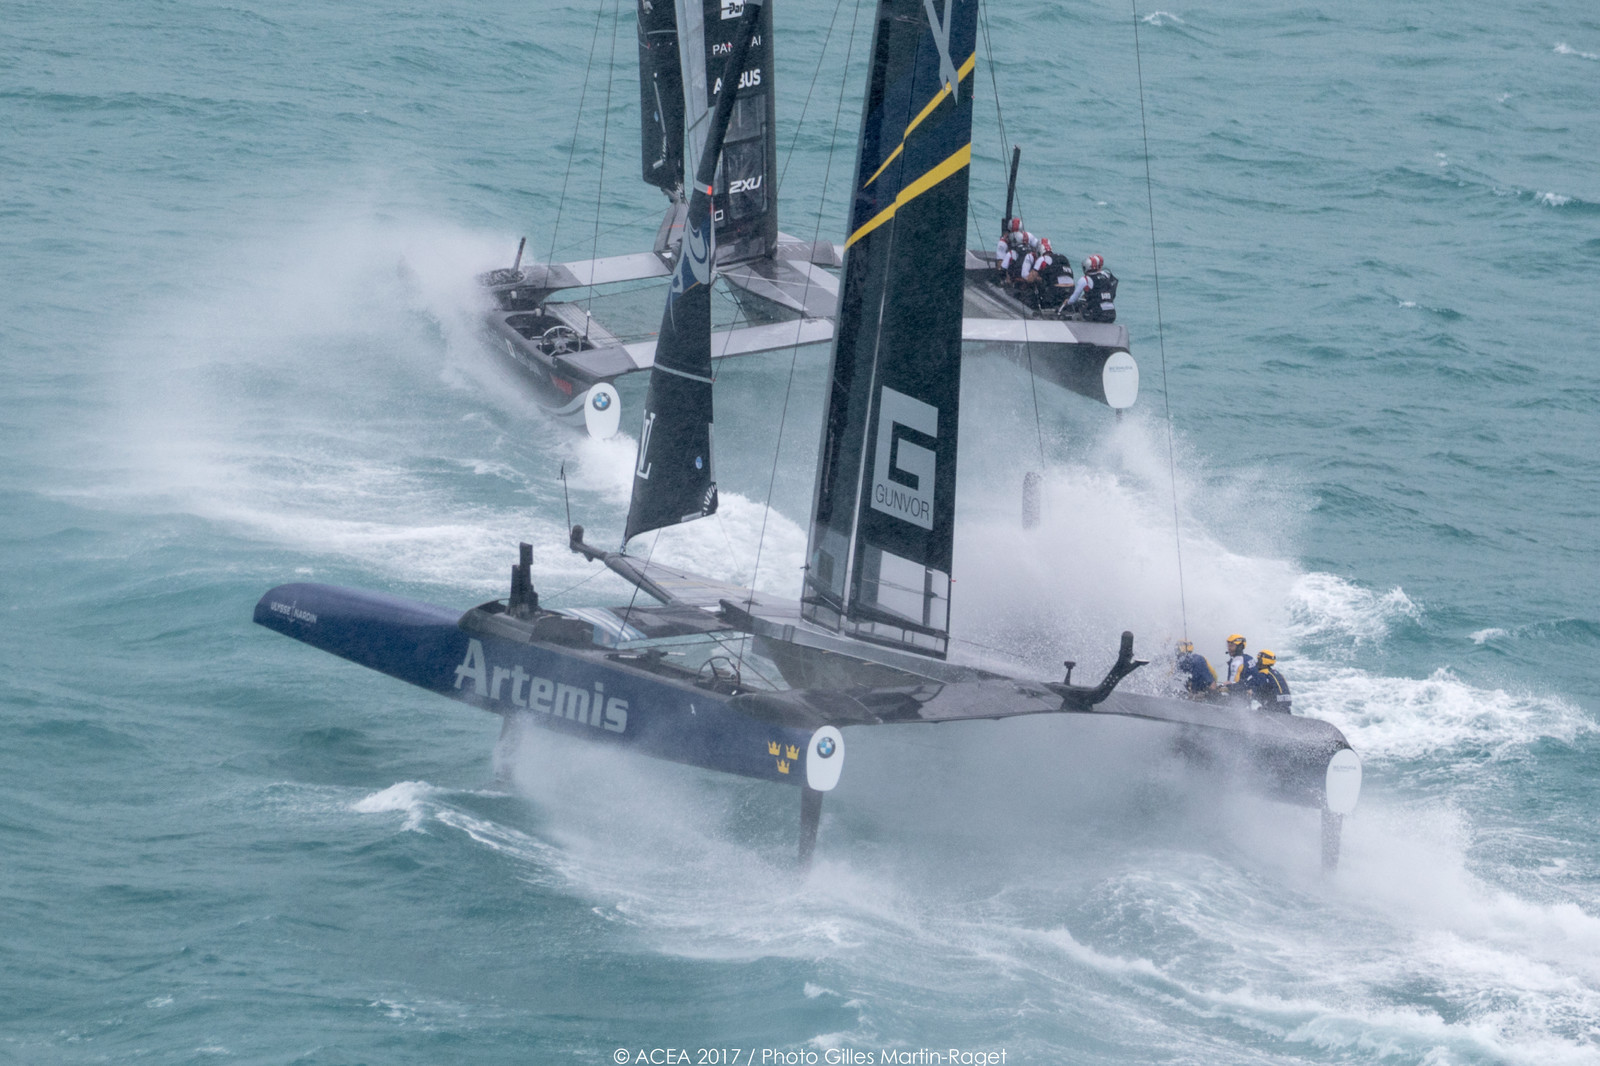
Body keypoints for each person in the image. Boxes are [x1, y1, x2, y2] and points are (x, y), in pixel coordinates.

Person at [1063, 253, 1118, 322]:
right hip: (1112, 314)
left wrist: (1067, 302)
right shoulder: (1106, 276)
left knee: (1077, 305)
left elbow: (1073, 299)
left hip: (1098, 314)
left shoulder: (1085, 279)